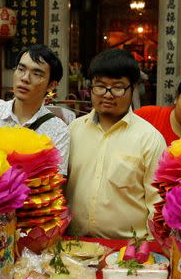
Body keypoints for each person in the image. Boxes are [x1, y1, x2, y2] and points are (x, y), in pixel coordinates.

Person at [65, 48, 166, 239]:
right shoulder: (73, 131)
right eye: (100, 86)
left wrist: (150, 250)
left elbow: (158, 204)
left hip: (128, 250)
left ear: (133, 88)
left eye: (118, 87)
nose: (108, 94)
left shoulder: (149, 138)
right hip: (74, 244)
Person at [0, 45, 69, 173]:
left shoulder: (58, 130)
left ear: (51, 85)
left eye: (36, 74)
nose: (25, 78)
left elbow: (54, 185)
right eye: (21, 69)